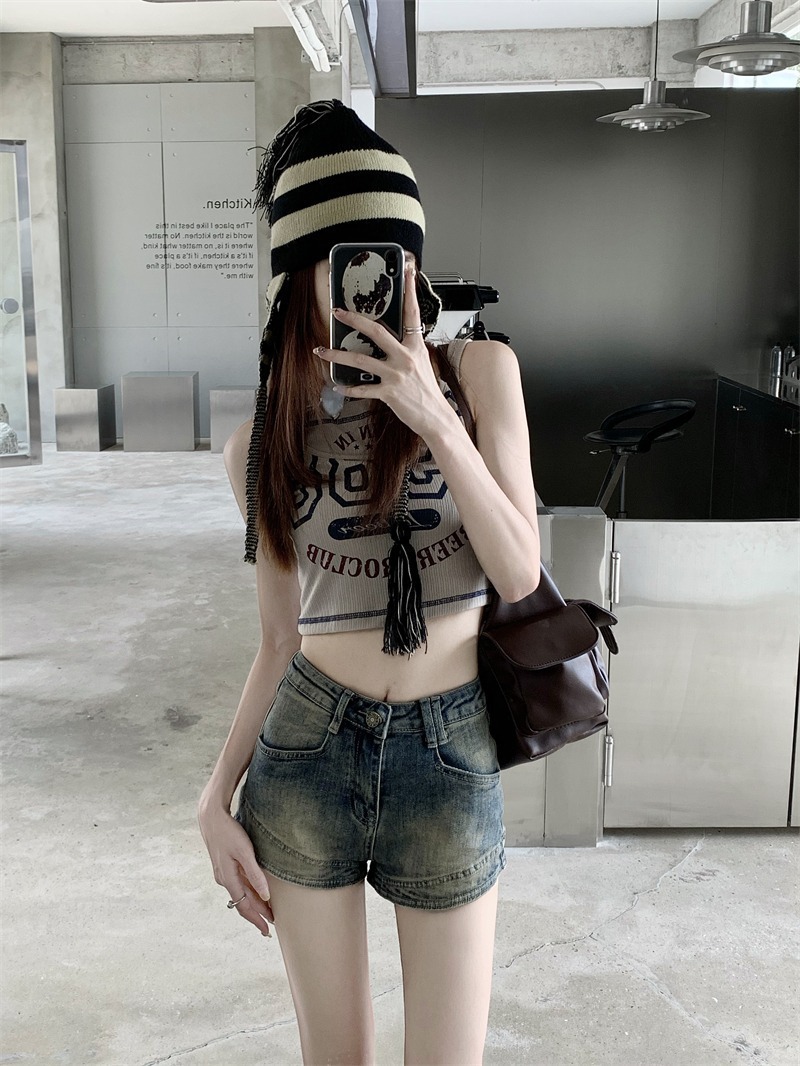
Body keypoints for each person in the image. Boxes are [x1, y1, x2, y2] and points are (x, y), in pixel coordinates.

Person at [197, 99, 541, 1066]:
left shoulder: (480, 374)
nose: (374, 285)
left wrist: (433, 418)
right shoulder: (261, 440)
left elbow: (518, 571)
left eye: (393, 262)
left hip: (449, 750)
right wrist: (213, 796)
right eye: (347, 263)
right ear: (300, 279)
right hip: (308, 753)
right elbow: (279, 640)